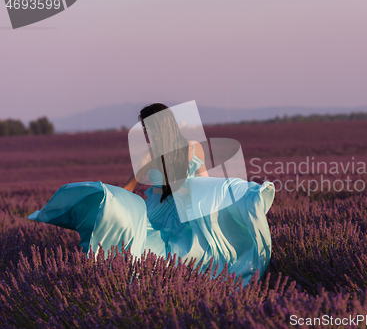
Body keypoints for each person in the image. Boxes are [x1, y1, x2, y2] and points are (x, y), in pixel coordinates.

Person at [28, 103, 275, 286]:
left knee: (151, 254)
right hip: (189, 211)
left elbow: (127, 190)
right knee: (200, 253)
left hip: (157, 213)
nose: (145, 132)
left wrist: (102, 199)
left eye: (146, 128)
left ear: (156, 128)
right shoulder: (194, 147)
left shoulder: (148, 155)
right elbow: (205, 184)